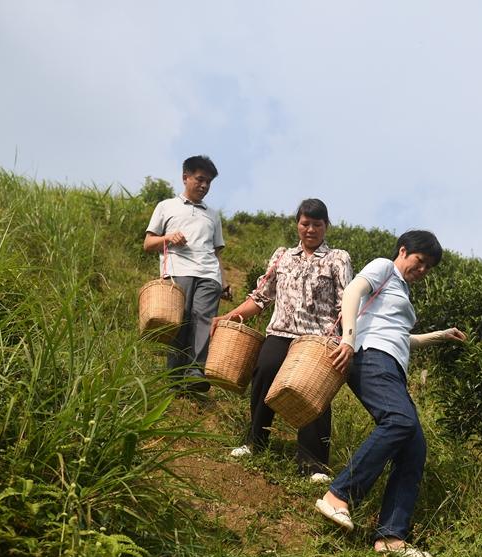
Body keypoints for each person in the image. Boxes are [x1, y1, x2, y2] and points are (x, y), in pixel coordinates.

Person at [315, 230, 466, 557]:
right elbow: (354, 290)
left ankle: (391, 538)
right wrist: (348, 340)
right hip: (369, 355)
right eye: (419, 260)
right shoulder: (384, 266)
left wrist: (441, 335)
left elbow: (402, 337)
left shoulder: (403, 291)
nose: (422, 269)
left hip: (390, 363)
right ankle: (338, 496)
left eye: (429, 267)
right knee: (398, 421)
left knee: (414, 448)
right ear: (403, 251)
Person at [214, 198, 353, 481]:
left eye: (317, 224)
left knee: (313, 392)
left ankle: (313, 464)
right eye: (305, 223)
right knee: (264, 371)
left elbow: (346, 302)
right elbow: (261, 297)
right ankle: (256, 442)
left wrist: (345, 338)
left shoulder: (338, 258)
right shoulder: (282, 256)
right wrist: (231, 316)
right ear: (297, 225)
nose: (311, 229)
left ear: (326, 226)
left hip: (317, 339)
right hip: (280, 332)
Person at [143, 155, 224, 392]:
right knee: (181, 319)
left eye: (208, 182)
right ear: (185, 177)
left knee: (203, 319)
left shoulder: (213, 214)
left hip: (209, 274)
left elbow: (217, 253)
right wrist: (168, 238)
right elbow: (148, 244)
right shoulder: (166, 206)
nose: (204, 185)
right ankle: (174, 378)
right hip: (177, 270)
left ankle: (195, 372)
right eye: (200, 179)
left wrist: (224, 281)